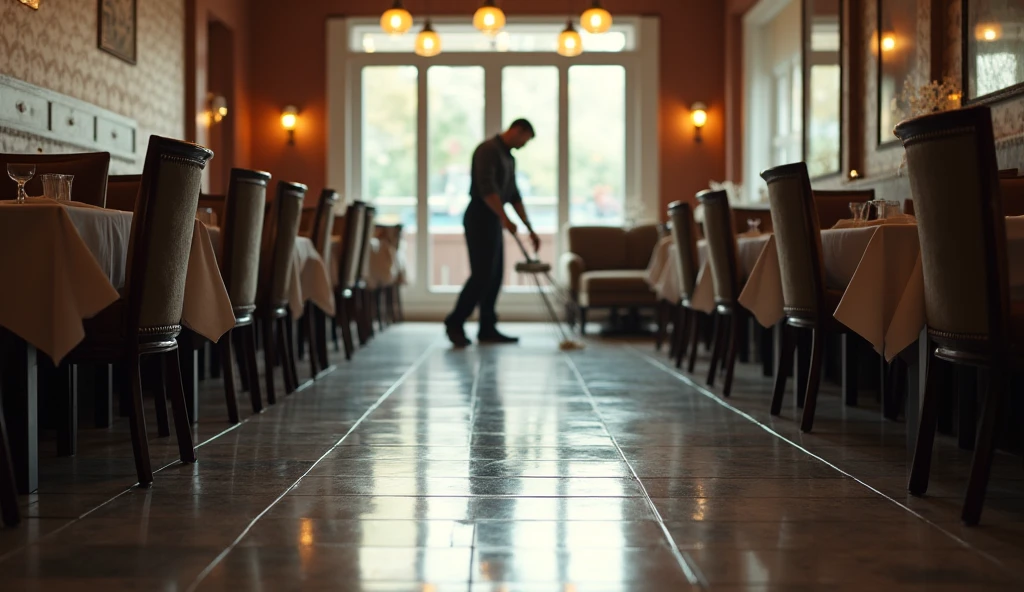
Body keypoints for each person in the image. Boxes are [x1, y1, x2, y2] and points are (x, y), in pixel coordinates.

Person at [444, 119, 540, 347]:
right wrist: (505, 218)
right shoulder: (487, 150)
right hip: (479, 217)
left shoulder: (509, 157)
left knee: (495, 276)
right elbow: (487, 190)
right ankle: (455, 322)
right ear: (517, 130)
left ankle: (487, 327)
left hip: (494, 220)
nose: (523, 146)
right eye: (524, 140)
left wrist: (529, 228)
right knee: (482, 275)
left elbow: (514, 196)